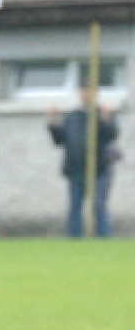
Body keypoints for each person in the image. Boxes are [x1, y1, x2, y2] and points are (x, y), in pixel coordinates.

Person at [48, 85, 120, 238]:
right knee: (75, 207)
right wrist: (53, 122)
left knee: (98, 206)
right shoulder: (72, 117)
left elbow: (111, 135)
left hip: (98, 169)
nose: (86, 94)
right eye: (84, 90)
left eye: (90, 90)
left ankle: (105, 237)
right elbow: (59, 140)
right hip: (76, 169)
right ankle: (75, 239)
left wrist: (106, 119)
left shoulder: (102, 114)